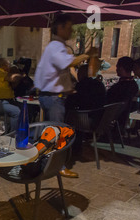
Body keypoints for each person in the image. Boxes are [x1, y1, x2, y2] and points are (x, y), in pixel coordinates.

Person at [34, 14, 89, 179]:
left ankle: (47, 163)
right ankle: (57, 166)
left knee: (53, 132)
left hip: (52, 96)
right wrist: (87, 55)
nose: (71, 30)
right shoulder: (55, 46)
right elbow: (68, 63)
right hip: (52, 98)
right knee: (57, 133)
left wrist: (68, 89)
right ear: (60, 28)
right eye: (69, 26)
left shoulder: (55, 47)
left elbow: (57, 72)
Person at [0, 58, 25, 133]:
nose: (10, 66)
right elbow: (13, 78)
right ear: (3, 66)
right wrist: (22, 75)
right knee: (17, 111)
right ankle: (13, 133)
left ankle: (16, 128)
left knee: (24, 107)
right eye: (9, 65)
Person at [106, 56, 139, 131]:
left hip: (107, 118)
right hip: (123, 118)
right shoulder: (134, 85)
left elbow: (107, 99)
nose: (116, 69)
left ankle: (73, 134)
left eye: (117, 67)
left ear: (121, 68)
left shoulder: (119, 87)